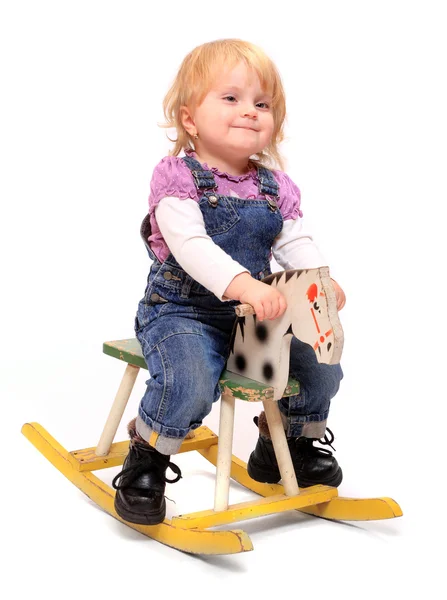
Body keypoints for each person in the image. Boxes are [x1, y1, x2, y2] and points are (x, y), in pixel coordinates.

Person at [112, 39, 346, 525]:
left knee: (320, 362)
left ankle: (289, 444)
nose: (250, 112)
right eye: (231, 98)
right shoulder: (177, 178)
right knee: (190, 375)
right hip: (181, 311)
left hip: (255, 316)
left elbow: (295, 242)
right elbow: (192, 247)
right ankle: (148, 455)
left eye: (262, 104)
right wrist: (244, 284)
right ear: (190, 119)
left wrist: (320, 283)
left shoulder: (274, 186)